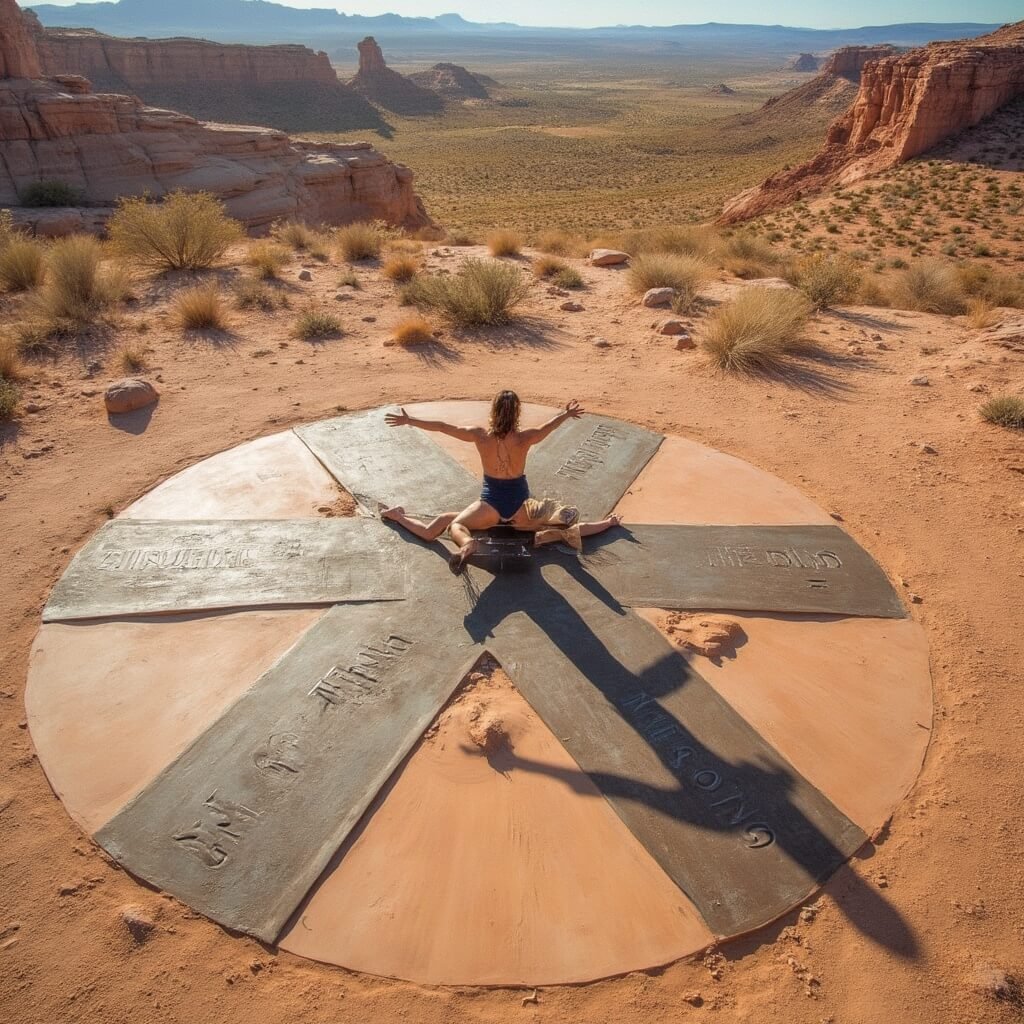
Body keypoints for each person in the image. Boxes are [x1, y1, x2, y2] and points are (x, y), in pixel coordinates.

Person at [382, 390, 622, 574]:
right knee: (558, 530)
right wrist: (567, 414)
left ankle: (465, 543)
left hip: (490, 506)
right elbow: (549, 427)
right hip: (521, 508)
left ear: (494, 410)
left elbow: (444, 427)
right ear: (517, 412)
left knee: (454, 525)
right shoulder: (526, 437)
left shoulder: (479, 435)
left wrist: (410, 420)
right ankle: (607, 523)